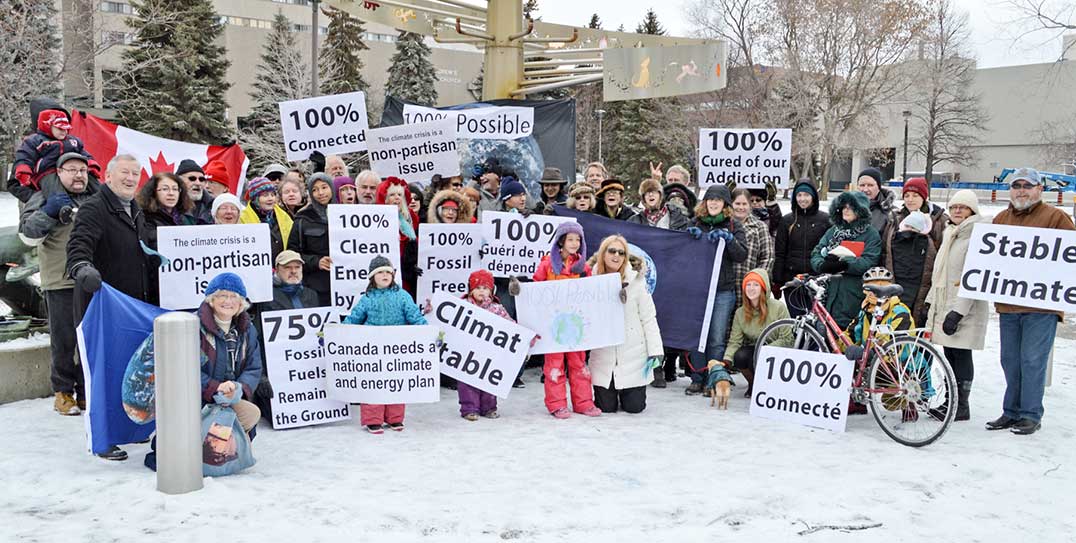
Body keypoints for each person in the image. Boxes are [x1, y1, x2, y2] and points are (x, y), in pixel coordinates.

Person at [66, 154, 159, 460]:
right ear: (108, 176)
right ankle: (103, 440)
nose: (131, 178)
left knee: (130, 373)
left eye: (136, 173)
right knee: (103, 375)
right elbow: (78, 246)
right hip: (103, 308)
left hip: (134, 308)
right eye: (124, 173)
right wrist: (82, 268)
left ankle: (130, 432)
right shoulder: (95, 208)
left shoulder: (137, 212)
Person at [986, 168, 1075, 435]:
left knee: (1033, 360)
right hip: (1009, 305)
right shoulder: (1001, 219)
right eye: (1016, 185)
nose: (1021, 190)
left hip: (1041, 306)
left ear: (1039, 189)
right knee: (1010, 360)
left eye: (1027, 185)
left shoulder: (1056, 218)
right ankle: (1010, 412)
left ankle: (1030, 414)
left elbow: (1070, 258)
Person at [19, 152, 99, 417]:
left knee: (88, 339)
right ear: (59, 173)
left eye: (83, 170)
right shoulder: (42, 197)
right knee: (64, 339)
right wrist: (49, 212)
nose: (79, 175)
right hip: (59, 280)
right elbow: (28, 236)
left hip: (92, 279)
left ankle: (86, 391)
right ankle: (63, 393)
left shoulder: (94, 198)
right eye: (72, 169)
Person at [512, 222, 601, 418]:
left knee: (579, 365)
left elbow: (593, 294)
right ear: (561, 241)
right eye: (570, 239)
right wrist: (521, 290)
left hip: (576, 325)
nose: (575, 243)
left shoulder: (583, 267)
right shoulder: (547, 265)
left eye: (578, 239)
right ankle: (556, 404)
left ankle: (584, 402)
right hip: (553, 326)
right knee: (554, 366)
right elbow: (535, 292)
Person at [924, 190, 988, 422]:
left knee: (961, 354)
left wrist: (958, 312)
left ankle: (961, 405)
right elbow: (939, 274)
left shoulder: (976, 236)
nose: (957, 211)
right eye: (954, 207)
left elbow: (974, 277)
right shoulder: (952, 232)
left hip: (963, 308)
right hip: (945, 303)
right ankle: (952, 401)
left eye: (963, 207)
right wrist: (931, 303)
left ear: (973, 210)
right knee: (949, 353)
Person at [344, 256, 428, 433]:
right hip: (372, 350)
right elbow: (353, 319)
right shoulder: (367, 298)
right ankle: (373, 419)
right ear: (372, 277)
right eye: (380, 272)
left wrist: (430, 333)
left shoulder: (403, 296)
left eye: (388, 272)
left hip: (397, 349)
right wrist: (335, 334)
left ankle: (394, 418)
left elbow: (415, 317)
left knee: (395, 383)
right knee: (373, 384)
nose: (385, 275)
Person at [587, 235, 662, 413]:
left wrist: (656, 351)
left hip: (633, 354)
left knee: (634, 408)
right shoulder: (590, 280)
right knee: (606, 408)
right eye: (612, 251)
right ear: (603, 253)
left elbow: (649, 317)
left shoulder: (637, 281)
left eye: (621, 252)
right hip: (603, 356)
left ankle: (631, 392)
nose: (616, 256)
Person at [684, 185, 747, 395]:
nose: (713, 203)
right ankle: (696, 377)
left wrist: (729, 240)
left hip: (722, 289)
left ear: (725, 204)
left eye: (718, 200)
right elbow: (681, 252)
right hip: (697, 289)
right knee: (697, 335)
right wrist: (687, 238)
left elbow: (741, 254)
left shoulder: (733, 225)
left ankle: (714, 377)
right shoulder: (695, 223)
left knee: (717, 338)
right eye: (710, 199)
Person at [197, 273, 263, 439]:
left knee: (251, 414)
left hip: (231, 398)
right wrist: (215, 387)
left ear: (241, 302)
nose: (228, 301)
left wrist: (239, 388)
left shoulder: (248, 330)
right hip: (199, 400)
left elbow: (253, 367)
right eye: (222, 295)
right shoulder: (194, 327)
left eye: (234, 296)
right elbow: (185, 371)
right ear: (211, 299)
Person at [707, 268, 790, 397]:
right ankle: (754, 384)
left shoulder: (778, 307)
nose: (751, 288)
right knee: (740, 356)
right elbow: (735, 341)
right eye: (748, 285)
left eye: (756, 285)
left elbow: (788, 339)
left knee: (756, 356)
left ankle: (771, 387)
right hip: (756, 350)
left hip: (777, 351)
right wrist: (726, 360)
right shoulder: (741, 313)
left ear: (763, 288)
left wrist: (765, 350)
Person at [810, 191, 883, 330]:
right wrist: (823, 265)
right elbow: (816, 252)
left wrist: (844, 263)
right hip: (829, 294)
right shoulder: (833, 231)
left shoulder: (871, 234)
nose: (846, 210)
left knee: (849, 338)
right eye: (844, 207)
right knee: (826, 337)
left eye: (850, 207)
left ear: (860, 210)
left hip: (853, 296)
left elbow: (869, 261)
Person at [455, 270, 510, 420]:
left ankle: (489, 408)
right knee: (467, 381)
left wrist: (525, 337)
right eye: (478, 288)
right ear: (471, 290)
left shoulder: (497, 308)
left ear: (491, 291)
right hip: (467, 352)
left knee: (489, 381)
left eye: (485, 288)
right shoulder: (462, 305)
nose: (481, 291)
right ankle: (469, 408)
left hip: (490, 353)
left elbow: (511, 327)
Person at [13, 109, 97, 202]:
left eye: (66, 128)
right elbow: (25, 155)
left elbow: (83, 152)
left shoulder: (72, 141)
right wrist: (24, 170)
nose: (64, 131)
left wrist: (91, 164)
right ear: (47, 126)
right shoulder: (35, 140)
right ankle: (63, 208)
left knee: (93, 181)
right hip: (47, 172)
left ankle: (106, 200)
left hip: (73, 170)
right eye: (60, 128)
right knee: (56, 193)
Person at [772, 178, 829, 317]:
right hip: (792, 280)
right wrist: (777, 280)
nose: (802, 199)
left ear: (813, 197)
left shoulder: (825, 220)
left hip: (817, 281)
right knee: (797, 321)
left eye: (806, 195)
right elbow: (780, 252)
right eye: (799, 195)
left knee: (816, 321)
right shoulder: (787, 221)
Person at [286, 173, 335, 307]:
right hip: (316, 287)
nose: (320, 193)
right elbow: (292, 254)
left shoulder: (348, 213)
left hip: (346, 286)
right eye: (315, 189)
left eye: (324, 187)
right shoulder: (303, 219)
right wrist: (316, 262)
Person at [883, 210, 936, 325]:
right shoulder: (893, 240)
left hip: (915, 290)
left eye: (914, 228)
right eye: (907, 226)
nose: (909, 230)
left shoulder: (926, 244)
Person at [729, 188, 775, 306]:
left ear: (750, 206)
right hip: (727, 285)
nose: (741, 207)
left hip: (750, 285)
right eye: (737, 203)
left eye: (744, 204)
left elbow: (767, 257)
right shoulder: (724, 226)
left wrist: (757, 280)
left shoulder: (760, 227)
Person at [377, 177, 420, 296]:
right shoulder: (376, 221)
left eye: (400, 195)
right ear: (384, 198)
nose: (397, 197)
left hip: (406, 276)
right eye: (392, 195)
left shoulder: (410, 220)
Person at [137, 172, 196, 251]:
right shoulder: (145, 217)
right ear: (154, 192)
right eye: (165, 189)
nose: (171, 193)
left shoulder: (186, 218)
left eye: (175, 189)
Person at [239, 176, 293, 262]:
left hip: (282, 267)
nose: (270, 199)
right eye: (265, 195)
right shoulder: (242, 219)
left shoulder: (283, 216)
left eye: (272, 195)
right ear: (255, 199)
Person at [855, 167, 896, 243]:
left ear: (879, 187)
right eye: (862, 185)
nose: (865, 189)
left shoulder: (891, 213)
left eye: (870, 185)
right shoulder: (847, 209)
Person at [177, 159, 214, 224]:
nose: (198, 183)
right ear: (179, 181)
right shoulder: (169, 206)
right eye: (192, 179)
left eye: (201, 179)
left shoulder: (213, 206)